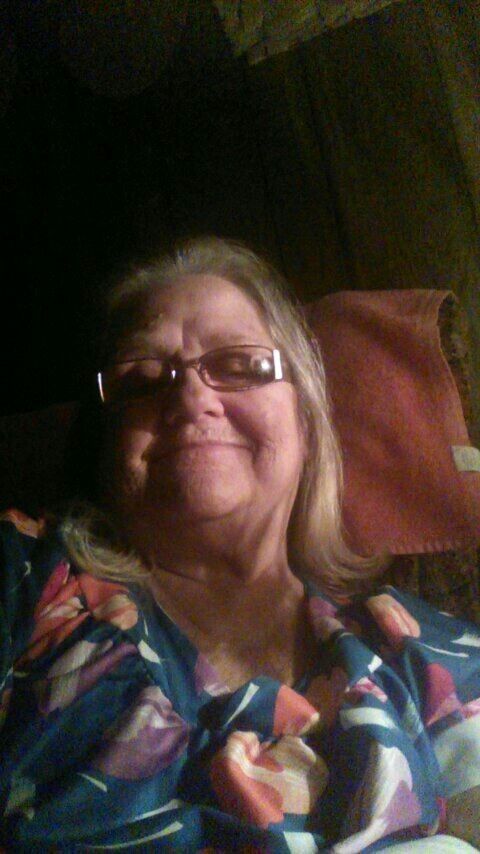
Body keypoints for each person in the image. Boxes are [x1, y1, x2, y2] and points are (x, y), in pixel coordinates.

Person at [1, 237, 479, 852]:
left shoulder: (417, 650)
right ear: (107, 445)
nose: (190, 397)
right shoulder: (24, 581)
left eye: (242, 365)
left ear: (306, 421)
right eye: (142, 379)